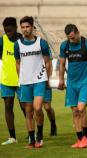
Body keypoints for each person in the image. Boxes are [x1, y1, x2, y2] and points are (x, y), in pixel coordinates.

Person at [58, 24, 87, 148]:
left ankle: (86, 137)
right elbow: (61, 64)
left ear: (78, 33)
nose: (71, 40)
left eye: (73, 37)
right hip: (71, 83)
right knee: (75, 111)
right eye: (69, 38)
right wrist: (61, 79)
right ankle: (79, 139)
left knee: (81, 109)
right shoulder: (64, 45)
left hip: (85, 82)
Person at [14, 16, 51, 148]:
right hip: (25, 82)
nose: (25, 29)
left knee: (37, 108)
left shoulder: (42, 43)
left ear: (32, 27)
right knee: (28, 112)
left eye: (27, 27)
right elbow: (17, 64)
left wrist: (47, 77)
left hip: (39, 80)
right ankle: (31, 139)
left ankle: (39, 135)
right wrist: (21, 78)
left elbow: (47, 61)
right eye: (22, 27)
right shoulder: (17, 45)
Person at [0, 17, 26, 145]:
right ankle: (12, 137)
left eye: (10, 30)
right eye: (5, 31)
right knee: (8, 107)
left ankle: (32, 133)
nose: (7, 33)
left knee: (25, 107)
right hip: (6, 80)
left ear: (16, 28)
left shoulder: (23, 40)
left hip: (22, 80)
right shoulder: (2, 41)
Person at [33, 26, 57, 136]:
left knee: (47, 107)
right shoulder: (24, 45)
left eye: (33, 28)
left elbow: (49, 63)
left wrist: (47, 78)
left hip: (43, 79)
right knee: (36, 107)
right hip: (32, 81)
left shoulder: (42, 44)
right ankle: (39, 131)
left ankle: (53, 123)